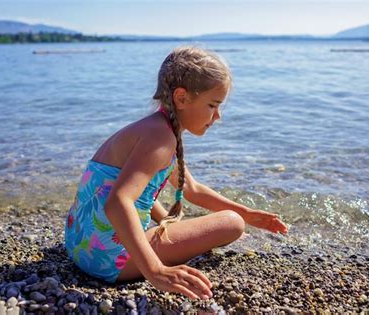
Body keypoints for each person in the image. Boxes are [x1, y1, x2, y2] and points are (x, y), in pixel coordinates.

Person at [64, 46, 288, 300]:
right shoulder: (161, 138)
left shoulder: (153, 128)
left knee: (233, 217)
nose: (218, 116)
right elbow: (118, 202)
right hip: (108, 260)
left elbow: (191, 189)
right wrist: (155, 270)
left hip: (79, 246)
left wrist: (247, 213)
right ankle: (147, 258)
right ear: (181, 98)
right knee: (231, 223)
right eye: (213, 105)